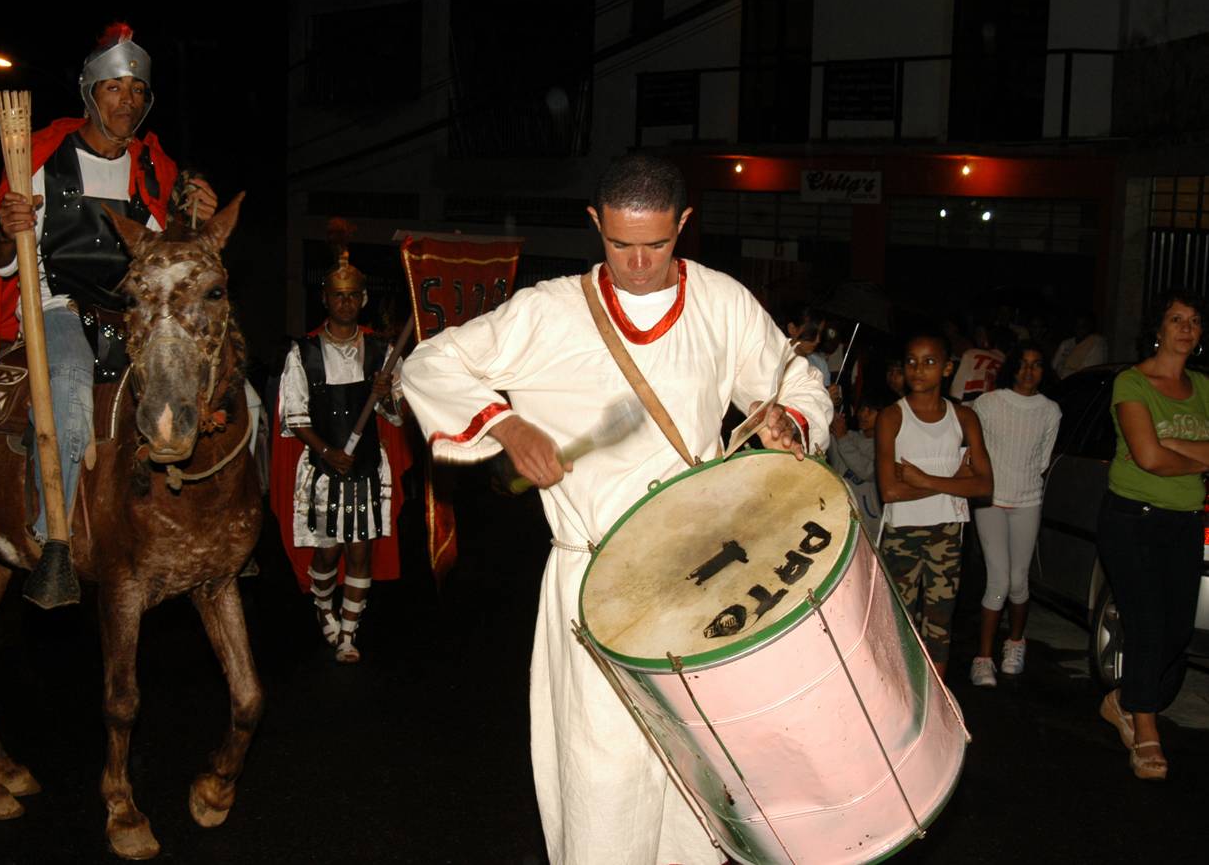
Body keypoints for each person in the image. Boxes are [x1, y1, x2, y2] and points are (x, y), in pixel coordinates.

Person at [399, 153, 831, 865]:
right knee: (603, 778)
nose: (637, 263)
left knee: (699, 775)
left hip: (705, 577)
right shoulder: (548, 311)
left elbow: (795, 380)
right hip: (594, 582)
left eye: (656, 244)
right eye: (620, 242)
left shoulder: (721, 303)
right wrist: (505, 424)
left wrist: (788, 419)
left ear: (682, 224)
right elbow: (427, 364)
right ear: (595, 223)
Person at [0, 24, 215, 600]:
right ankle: (52, 538)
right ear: (90, 93)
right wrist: (7, 231)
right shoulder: (41, 157)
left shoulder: (154, 168)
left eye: (137, 91)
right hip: (59, 305)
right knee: (70, 379)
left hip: (132, 315)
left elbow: (168, 257)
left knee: (213, 376)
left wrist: (193, 216)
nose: (127, 101)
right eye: (114, 88)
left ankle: (221, 525)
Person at [1095, 291, 1209, 780]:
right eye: (1176, 319)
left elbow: (1161, 450)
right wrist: (1196, 455)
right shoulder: (1132, 382)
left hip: (1185, 520)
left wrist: (1170, 442)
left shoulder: (1203, 386)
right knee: (1147, 626)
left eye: (1194, 321)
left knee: (1178, 631)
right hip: (1133, 520)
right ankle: (1146, 731)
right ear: (1157, 329)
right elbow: (1148, 458)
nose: (1186, 328)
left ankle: (1125, 700)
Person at [274, 255, 402, 664]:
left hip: (365, 468)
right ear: (325, 299)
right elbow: (294, 417)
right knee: (328, 552)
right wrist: (328, 452)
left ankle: (349, 633)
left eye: (352, 296)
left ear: (362, 299)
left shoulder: (382, 352)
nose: (345, 302)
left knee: (360, 551)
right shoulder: (303, 352)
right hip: (324, 468)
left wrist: (386, 395)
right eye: (338, 296)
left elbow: (397, 415)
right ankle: (322, 605)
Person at [876, 334, 993, 678]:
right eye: (911, 361)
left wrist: (924, 480)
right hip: (902, 532)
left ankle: (934, 699)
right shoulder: (891, 417)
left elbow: (984, 485)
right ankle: (899, 693)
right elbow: (890, 491)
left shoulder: (964, 418)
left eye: (929, 362)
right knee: (898, 621)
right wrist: (954, 483)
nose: (918, 369)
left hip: (947, 530)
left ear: (946, 369)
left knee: (940, 621)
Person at [968, 342, 1061, 687]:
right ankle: (983, 659)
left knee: (1019, 581)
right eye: (1022, 364)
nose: (1028, 371)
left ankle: (1015, 643)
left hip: (1027, 501)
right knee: (998, 580)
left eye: (1036, 364)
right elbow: (973, 448)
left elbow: (1043, 461)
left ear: (1044, 371)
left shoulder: (1050, 411)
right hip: (990, 500)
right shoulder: (988, 403)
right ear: (1011, 368)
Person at [827, 390, 889, 541]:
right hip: (840, 516)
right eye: (862, 409)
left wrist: (842, 438)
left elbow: (867, 471)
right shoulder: (848, 435)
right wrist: (830, 406)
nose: (863, 414)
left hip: (870, 523)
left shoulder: (885, 445)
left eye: (871, 411)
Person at [1052, 311, 1108, 379]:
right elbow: (1054, 366)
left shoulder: (1097, 343)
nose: (1079, 329)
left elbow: (1087, 372)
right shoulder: (1066, 343)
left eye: (1083, 326)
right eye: (1077, 326)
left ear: (1091, 327)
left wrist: (1062, 369)